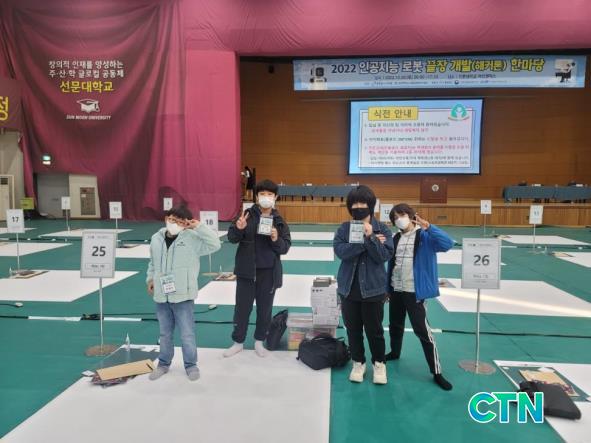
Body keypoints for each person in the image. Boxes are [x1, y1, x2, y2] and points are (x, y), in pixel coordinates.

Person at [146, 206, 221, 381]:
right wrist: (150, 279)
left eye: (180, 222)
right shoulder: (156, 238)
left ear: (186, 224)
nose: (175, 224)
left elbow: (215, 244)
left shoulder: (192, 238)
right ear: (166, 218)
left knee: (187, 334)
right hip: (161, 295)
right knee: (165, 334)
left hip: (183, 296)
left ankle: (191, 365)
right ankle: (163, 364)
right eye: (172, 219)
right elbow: (152, 262)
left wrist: (198, 227)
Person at [386, 203, 454, 391]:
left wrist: (429, 227)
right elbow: (392, 264)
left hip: (415, 292)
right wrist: (387, 288)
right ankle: (395, 352)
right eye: (395, 217)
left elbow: (447, 244)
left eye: (401, 215)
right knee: (395, 325)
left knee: (423, 331)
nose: (399, 219)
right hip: (396, 289)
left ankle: (437, 372)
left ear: (411, 216)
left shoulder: (424, 236)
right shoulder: (396, 238)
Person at [224, 179, 291, 358]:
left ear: (275, 197)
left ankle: (259, 341)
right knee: (242, 309)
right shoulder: (246, 215)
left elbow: (285, 247)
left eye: (270, 194)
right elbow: (232, 238)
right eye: (262, 194)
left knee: (264, 310)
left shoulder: (279, 221)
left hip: (269, 273)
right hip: (247, 272)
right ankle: (238, 342)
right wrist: (238, 229)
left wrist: (276, 238)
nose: (266, 197)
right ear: (256, 196)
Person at [333, 185, 394, 384]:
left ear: (371, 205)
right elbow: (341, 252)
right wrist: (367, 241)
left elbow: (383, 256)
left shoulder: (383, 229)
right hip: (348, 288)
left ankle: (379, 364)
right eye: (355, 204)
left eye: (363, 203)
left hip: (374, 289)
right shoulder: (344, 228)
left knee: (375, 331)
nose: (358, 207)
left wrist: (371, 236)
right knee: (353, 330)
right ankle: (358, 362)